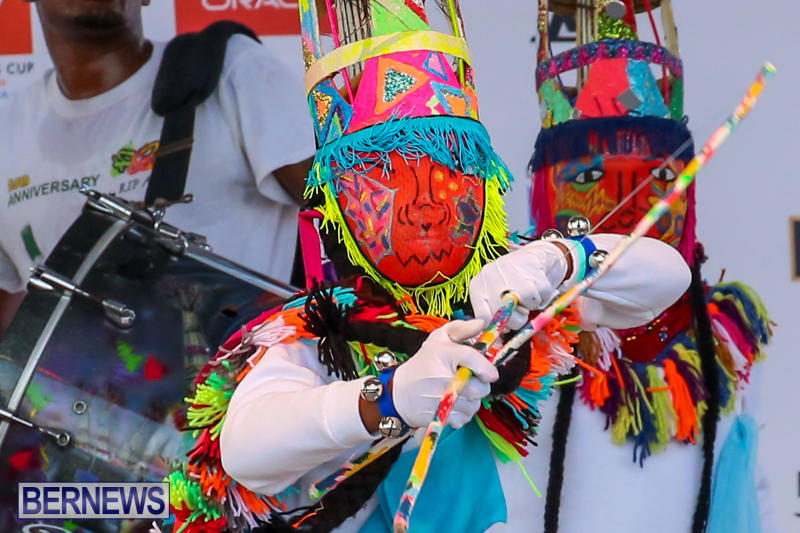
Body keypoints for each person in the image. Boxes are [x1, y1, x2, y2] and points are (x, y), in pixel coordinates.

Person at [165, 2, 691, 532]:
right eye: (383, 173)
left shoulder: (525, 287)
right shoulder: (326, 328)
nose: (427, 205)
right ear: (337, 202)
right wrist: (389, 397)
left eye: (450, 166)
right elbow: (246, 449)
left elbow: (667, 276)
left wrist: (559, 258)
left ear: (487, 179)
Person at [527, 1, 778, 532]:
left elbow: (749, 492)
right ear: (545, 196)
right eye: (589, 177)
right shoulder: (517, 337)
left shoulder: (725, 344)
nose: (629, 206)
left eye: (659, 179)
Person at [0, 0, 316, 338]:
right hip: (82, 371)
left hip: (254, 363)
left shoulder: (233, 70)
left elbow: (347, 209)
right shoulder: (7, 132)